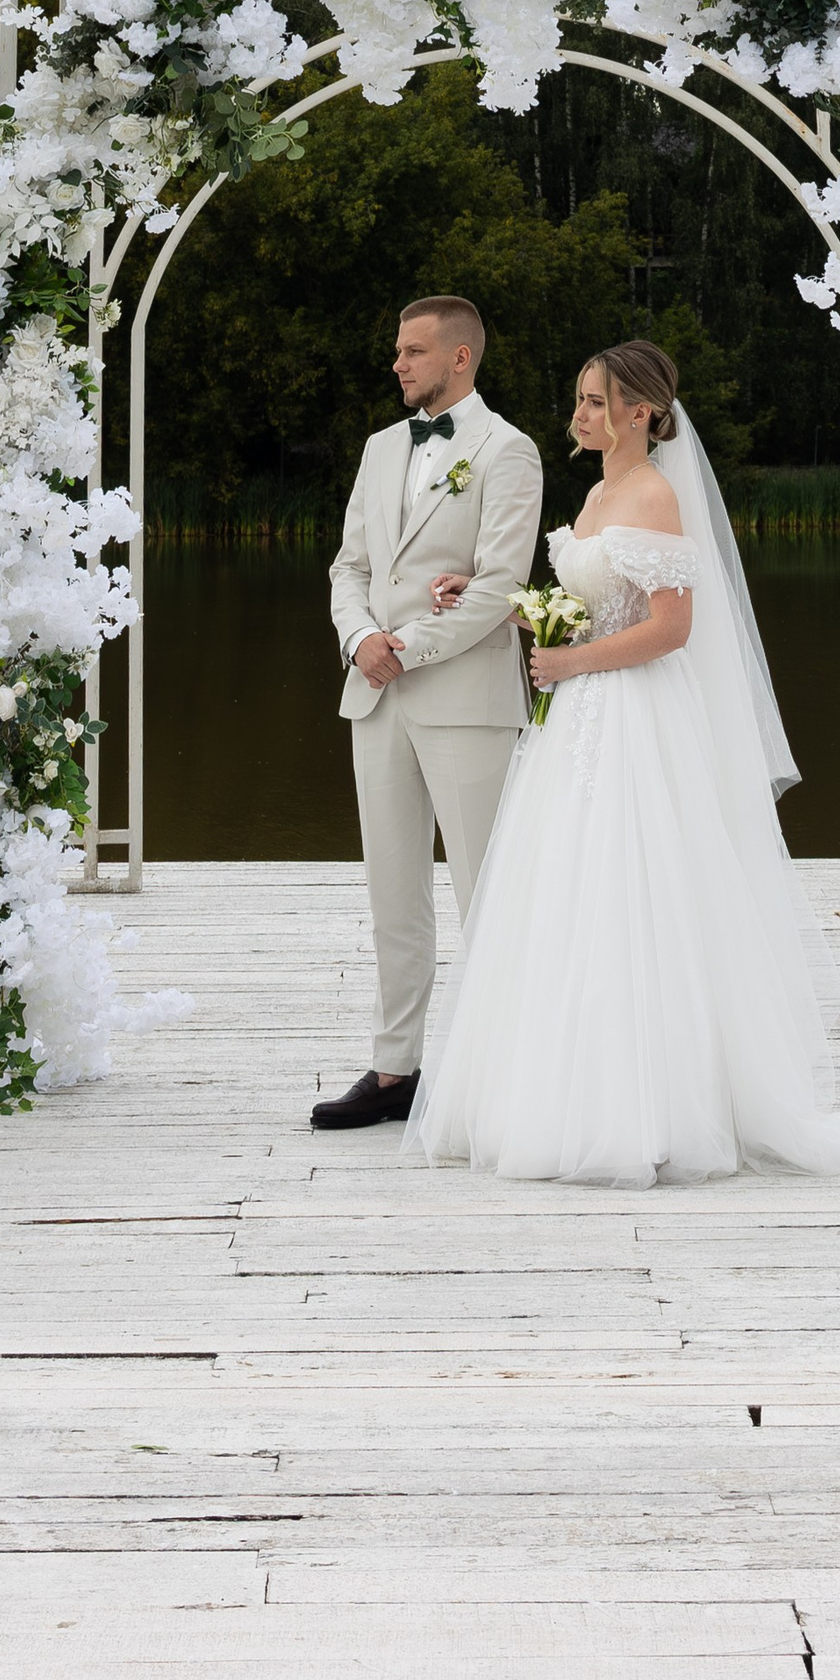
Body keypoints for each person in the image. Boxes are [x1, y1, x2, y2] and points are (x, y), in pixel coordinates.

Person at [403, 339, 840, 1186]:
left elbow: (671, 628)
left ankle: (652, 1109)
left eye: (596, 402)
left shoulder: (655, 494)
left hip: (636, 715)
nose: (580, 414)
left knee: (636, 891)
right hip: (579, 720)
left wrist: (568, 664)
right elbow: (585, 612)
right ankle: (559, 1097)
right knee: (567, 893)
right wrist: (502, 612)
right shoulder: (600, 490)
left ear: (641, 411)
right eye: (579, 399)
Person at [313, 295, 544, 1131]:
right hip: (373, 697)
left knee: (485, 890)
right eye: (397, 350)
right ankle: (394, 1069)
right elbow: (349, 566)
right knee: (392, 894)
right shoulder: (380, 449)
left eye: (414, 351)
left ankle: (498, 1072)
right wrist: (360, 641)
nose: (399, 364)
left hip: (464, 700)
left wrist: (403, 646)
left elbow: (500, 586)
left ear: (460, 358)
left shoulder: (508, 452)